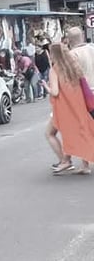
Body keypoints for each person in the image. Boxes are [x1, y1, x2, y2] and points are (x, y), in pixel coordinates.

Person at [41, 42, 94, 175]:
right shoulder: (74, 67)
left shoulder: (55, 69)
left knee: (50, 133)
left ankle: (65, 161)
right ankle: (85, 166)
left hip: (64, 109)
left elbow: (55, 92)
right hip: (79, 106)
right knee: (81, 132)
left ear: (54, 55)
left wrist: (46, 86)